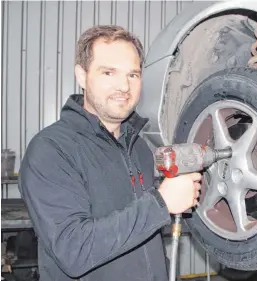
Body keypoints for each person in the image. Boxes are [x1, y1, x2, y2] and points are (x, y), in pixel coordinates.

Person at [18, 25, 201, 281]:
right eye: (109, 72)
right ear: (82, 76)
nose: (123, 86)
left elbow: (145, 240)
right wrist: (161, 203)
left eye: (133, 75)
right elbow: (74, 251)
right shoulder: (51, 149)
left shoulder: (138, 147)